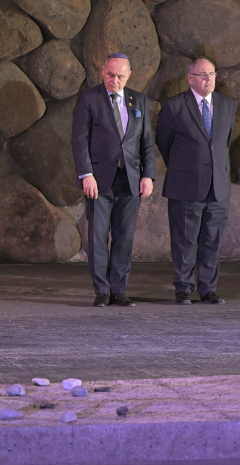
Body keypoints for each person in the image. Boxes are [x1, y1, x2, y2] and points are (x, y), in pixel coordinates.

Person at [72, 53, 155, 307]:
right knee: (97, 237)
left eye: (120, 76)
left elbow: (147, 144)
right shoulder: (89, 99)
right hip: (99, 181)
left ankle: (118, 290)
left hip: (130, 180)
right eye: (110, 74)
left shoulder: (138, 100)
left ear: (129, 75)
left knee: (124, 237)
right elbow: (79, 140)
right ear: (102, 71)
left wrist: (148, 175)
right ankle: (101, 292)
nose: (114, 80)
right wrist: (87, 175)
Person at [156, 56, 236, 305]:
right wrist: (185, 169)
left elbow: (224, 143)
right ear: (190, 78)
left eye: (211, 74)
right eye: (202, 75)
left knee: (212, 240)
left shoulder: (227, 104)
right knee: (184, 240)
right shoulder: (174, 106)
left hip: (218, 186)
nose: (208, 79)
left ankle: (208, 289)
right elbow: (164, 142)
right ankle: (183, 288)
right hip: (186, 185)